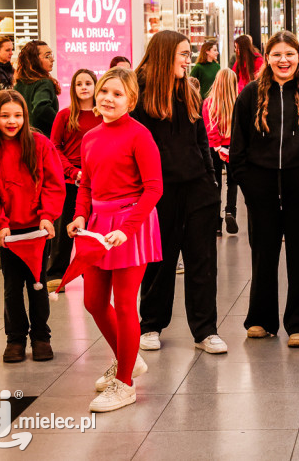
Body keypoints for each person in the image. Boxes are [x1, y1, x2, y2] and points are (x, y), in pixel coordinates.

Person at [230, 31, 299, 347]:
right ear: (268, 57)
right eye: (277, 54)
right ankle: (261, 320)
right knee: (263, 254)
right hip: (261, 188)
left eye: (289, 54)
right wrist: (247, 181)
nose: (283, 60)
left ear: (298, 58)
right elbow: (238, 145)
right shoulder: (250, 95)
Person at [67, 67, 163, 413]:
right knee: (93, 301)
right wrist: (79, 216)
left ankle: (125, 383)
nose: (108, 98)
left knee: (124, 303)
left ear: (131, 101)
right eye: (104, 91)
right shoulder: (90, 137)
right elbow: (87, 185)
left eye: (117, 94)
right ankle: (129, 359)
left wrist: (128, 227)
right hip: (97, 226)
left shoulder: (140, 136)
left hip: (130, 226)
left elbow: (154, 188)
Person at [133, 30, 227, 355]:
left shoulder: (187, 90)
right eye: (184, 54)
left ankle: (205, 330)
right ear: (164, 55)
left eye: (189, 54)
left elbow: (201, 138)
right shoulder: (139, 94)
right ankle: (151, 325)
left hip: (198, 187)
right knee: (160, 260)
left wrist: (212, 180)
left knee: (202, 260)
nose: (189, 61)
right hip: (159, 191)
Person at [0, 90, 66, 363]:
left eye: (18, 115)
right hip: (9, 232)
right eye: (4, 116)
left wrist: (48, 216)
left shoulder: (40, 144)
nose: (12, 121)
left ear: (25, 116)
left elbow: (53, 183)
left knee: (37, 285)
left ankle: (41, 337)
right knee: (12, 287)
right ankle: (15, 339)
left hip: (38, 228)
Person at [47, 69, 101, 290]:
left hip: (97, 180)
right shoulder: (64, 115)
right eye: (79, 84)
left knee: (92, 229)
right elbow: (54, 148)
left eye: (88, 83)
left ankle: (91, 271)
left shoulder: (103, 115)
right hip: (70, 181)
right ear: (74, 88)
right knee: (63, 230)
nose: (84, 87)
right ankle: (56, 273)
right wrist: (71, 171)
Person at [203, 68, 239, 236]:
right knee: (232, 182)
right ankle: (230, 211)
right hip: (233, 147)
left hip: (213, 148)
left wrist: (218, 146)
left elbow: (210, 127)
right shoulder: (238, 102)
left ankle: (216, 224)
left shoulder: (208, 102)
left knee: (215, 183)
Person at [14, 40, 60, 137]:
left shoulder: (19, 84)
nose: (52, 60)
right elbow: (41, 108)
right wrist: (61, 123)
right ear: (34, 60)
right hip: (42, 140)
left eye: (51, 55)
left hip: (23, 138)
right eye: (47, 56)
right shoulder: (44, 83)